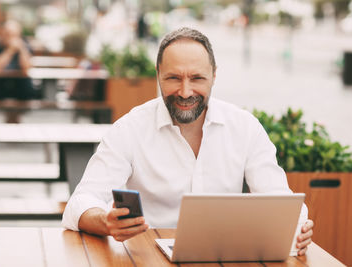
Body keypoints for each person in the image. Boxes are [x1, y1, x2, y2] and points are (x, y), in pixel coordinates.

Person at [62, 27, 314, 255]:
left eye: (197, 78)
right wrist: (106, 220)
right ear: (158, 74)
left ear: (214, 76)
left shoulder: (245, 127)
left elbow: (278, 198)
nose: (185, 92)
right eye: (173, 78)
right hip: (145, 258)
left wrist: (298, 227)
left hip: (223, 257)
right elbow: (81, 202)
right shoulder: (130, 128)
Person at [0, 20, 36, 122]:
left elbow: (27, 68)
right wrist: (10, 51)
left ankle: (14, 127)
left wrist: (21, 50)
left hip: (20, 86)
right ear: (2, 33)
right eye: (8, 34)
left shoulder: (25, 46)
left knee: (24, 95)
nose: (10, 37)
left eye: (14, 35)